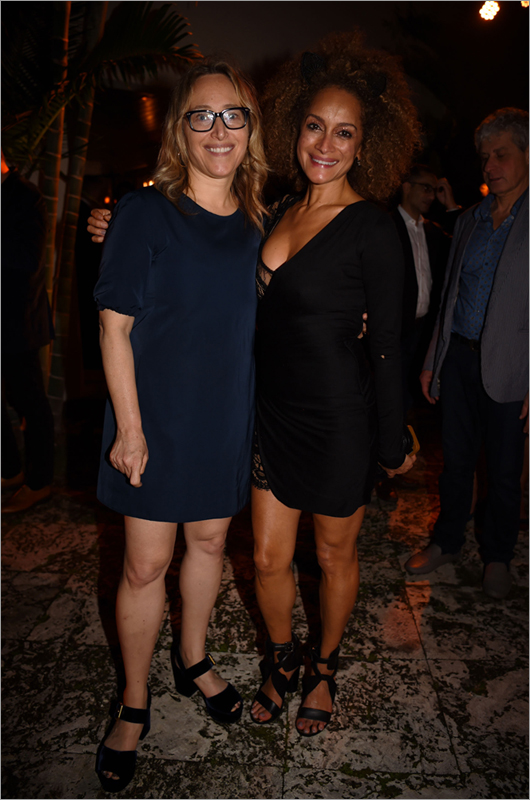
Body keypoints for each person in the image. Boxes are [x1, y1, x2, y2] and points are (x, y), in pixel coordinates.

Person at [89, 59, 267, 792]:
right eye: (202, 115)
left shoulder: (261, 221)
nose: (218, 130)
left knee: (210, 543)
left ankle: (193, 658)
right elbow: (113, 326)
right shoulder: (143, 211)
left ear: (251, 128)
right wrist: (129, 431)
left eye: (233, 115)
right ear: (180, 130)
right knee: (143, 564)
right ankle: (133, 700)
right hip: (155, 416)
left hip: (226, 415)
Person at [249, 34, 418, 737]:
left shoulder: (374, 227)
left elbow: (389, 345)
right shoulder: (276, 210)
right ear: (295, 127)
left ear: (364, 144)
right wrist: (118, 221)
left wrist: (390, 440)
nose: (326, 143)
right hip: (272, 415)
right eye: (316, 125)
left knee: (332, 554)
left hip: (340, 420)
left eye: (344, 132)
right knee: (266, 558)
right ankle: (282, 657)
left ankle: (323, 667)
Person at [405, 108, 529, 600]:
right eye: (485, 158)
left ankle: (498, 556)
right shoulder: (472, 219)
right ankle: (447, 541)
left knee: (503, 472)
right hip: (458, 358)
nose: (490, 166)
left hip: (512, 367)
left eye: (501, 155)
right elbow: (450, 295)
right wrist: (433, 359)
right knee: (455, 462)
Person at [1, 149, 55, 513]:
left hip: (17, 321)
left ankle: (40, 482)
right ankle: (9, 470)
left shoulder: (25, 195)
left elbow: (28, 259)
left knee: (31, 403)